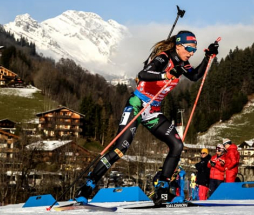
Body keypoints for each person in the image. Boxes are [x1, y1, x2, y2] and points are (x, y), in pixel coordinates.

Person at [74, 30, 219, 205]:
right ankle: (88, 186)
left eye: (194, 50)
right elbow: (143, 74)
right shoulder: (164, 58)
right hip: (136, 106)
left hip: (153, 111)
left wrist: (208, 56)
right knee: (120, 149)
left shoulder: (183, 63)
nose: (191, 53)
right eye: (189, 49)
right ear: (179, 46)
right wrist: (166, 74)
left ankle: (162, 188)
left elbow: (195, 76)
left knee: (177, 144)